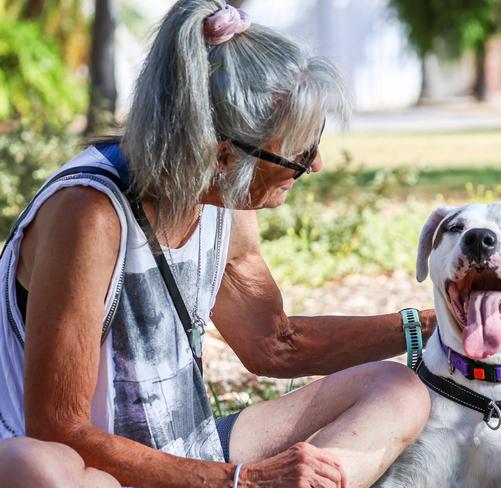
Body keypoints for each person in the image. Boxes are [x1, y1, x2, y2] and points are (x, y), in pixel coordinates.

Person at [0, 1, 436, 486]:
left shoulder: (222, 201)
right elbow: (59, 428)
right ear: (222, 155)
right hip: (99, 470)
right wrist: (240, 480)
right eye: (299, 152)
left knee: (395, 390)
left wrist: (424, 328)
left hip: (191, 449)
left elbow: (275, 344)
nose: (315, 166)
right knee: (36, 469)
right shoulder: (89, 214)